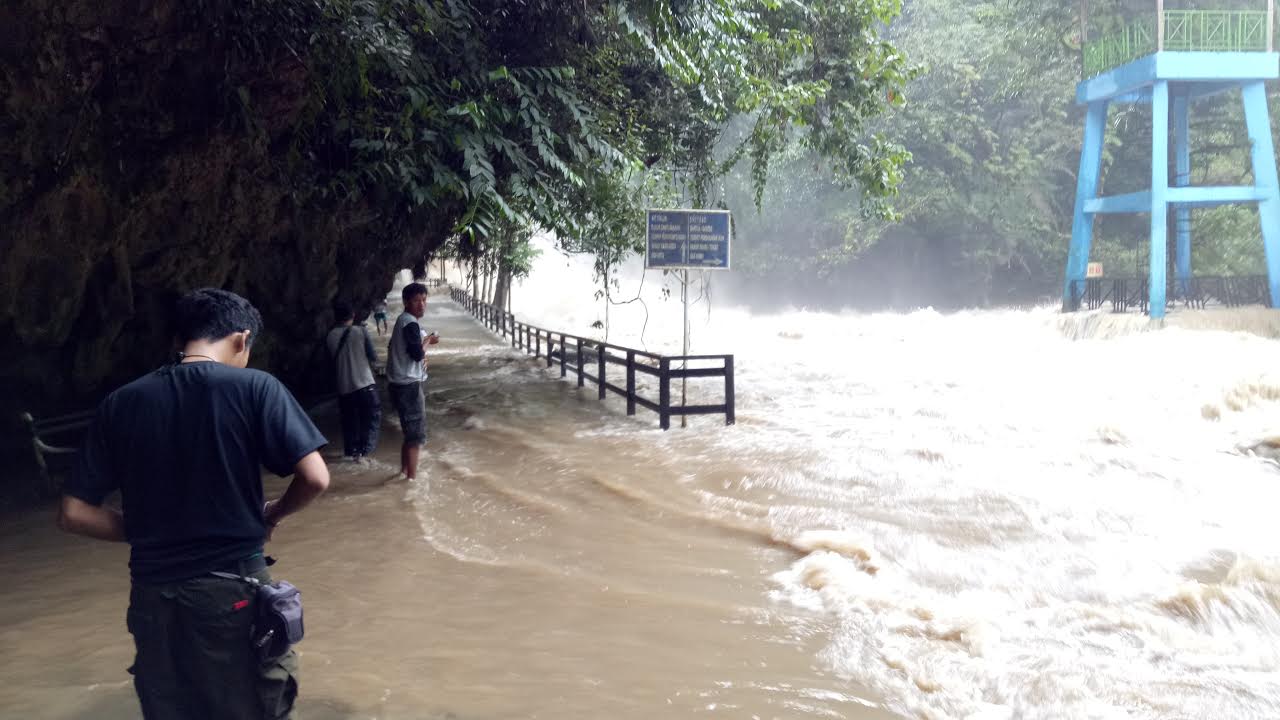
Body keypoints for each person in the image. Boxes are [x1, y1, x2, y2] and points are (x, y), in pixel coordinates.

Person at [57, 288, 331, 720]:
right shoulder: (256, 387)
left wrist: (149, 530)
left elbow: (73, 513)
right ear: (241, 340)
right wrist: (273, 514)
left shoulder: (122, 402)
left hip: (152, 597)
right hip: (232, 589)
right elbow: (316, 477)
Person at [386, 282, 439, 481]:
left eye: (424, 300)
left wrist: (424, 345)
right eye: (417, 300)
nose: (422, 304)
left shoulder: (403, 320)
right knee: (416, 436)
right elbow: (417, 354)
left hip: (399, 383)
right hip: (408, 385)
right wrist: (428, 341)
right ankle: (412, 481)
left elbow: (396, 346)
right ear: (407, 302)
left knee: (409, 434)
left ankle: (403, 473)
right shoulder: (409, 322)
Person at [326, 300, 381, 461]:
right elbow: (373, 356)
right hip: (365, 385)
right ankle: (365, 455)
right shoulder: (360, 331)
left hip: (344, 389)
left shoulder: (330, 336)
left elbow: (330, 362)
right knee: (371, 420)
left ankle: (351, 456)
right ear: (353, 315)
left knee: (350, 425)